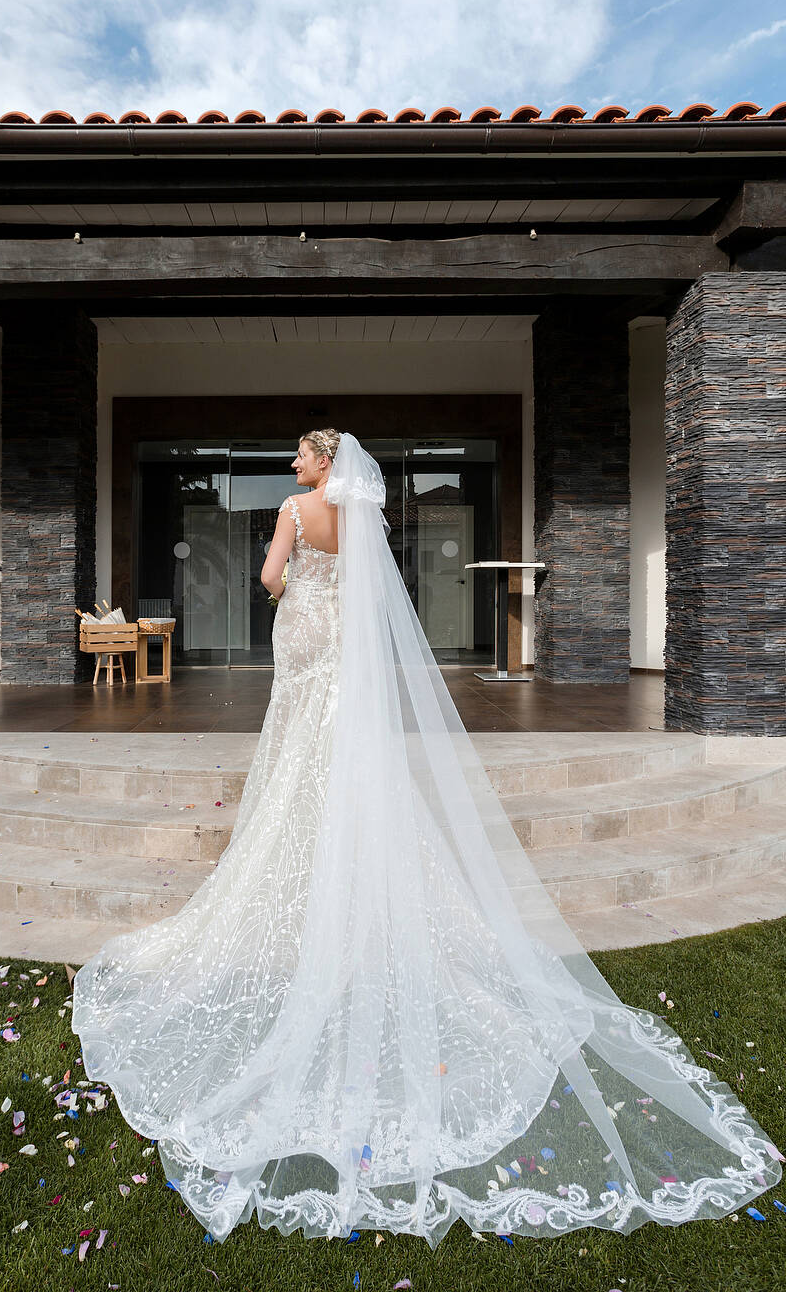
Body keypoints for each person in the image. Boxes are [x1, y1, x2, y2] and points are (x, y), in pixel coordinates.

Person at [71, 430, 783, 1246]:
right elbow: (374, 597)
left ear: (323, 464)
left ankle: (301, 865)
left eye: (303, 455)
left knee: (297, 752)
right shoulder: (362, 514)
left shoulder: (295, 511)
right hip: (342, 646)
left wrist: (283, 584)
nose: (295, 466)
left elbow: (270, 578)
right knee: (340, 757)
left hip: (302, 637)